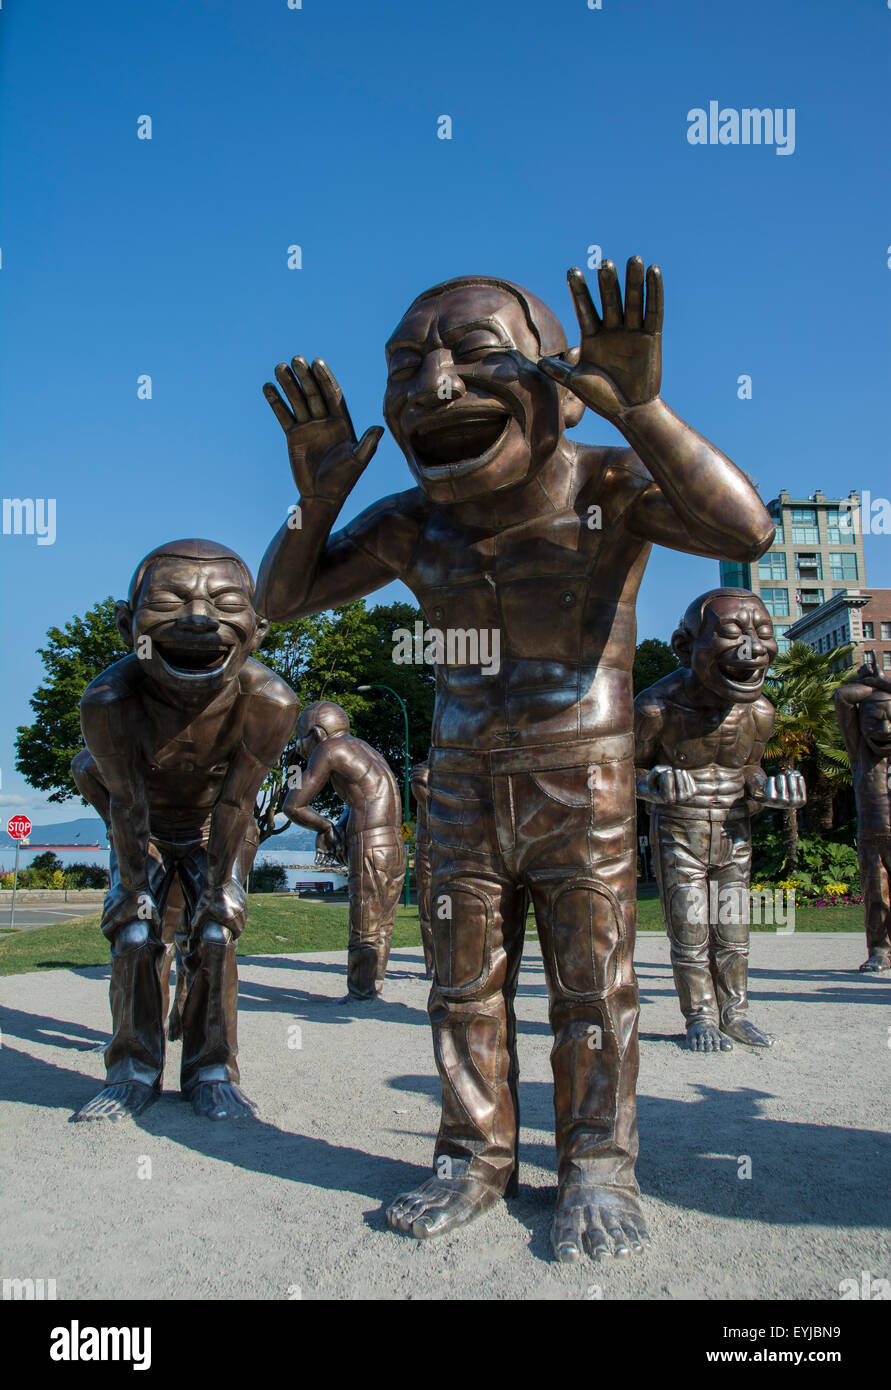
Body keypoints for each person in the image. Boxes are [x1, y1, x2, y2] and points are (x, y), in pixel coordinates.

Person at [255, 258, 774, 1260]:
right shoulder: (416, 523)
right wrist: (314, 500)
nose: (435, 386)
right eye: (406, 367)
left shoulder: (610, 485)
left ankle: (597, 1164)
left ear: (562, 392)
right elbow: (281, 600)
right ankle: (473, 1154)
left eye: (476, 355)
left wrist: (645, 410)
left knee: (594, 988)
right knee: (460, 985)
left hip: (584, 776)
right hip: (458, 787)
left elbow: (743, 526)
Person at [72, 538, 298, 1121]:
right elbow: (126, 803)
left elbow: (236, 803)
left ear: (257, 630)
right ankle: (133, 1069)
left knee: (217, 937)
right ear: (129, 625)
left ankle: (212, 1069)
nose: (199, 620)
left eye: (225, 605)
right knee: (135, 935)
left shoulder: (268, 700)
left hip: (211, 830)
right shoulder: (109, 700)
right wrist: (132, 887)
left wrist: (222, 890)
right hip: (145, 829)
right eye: (171, 602)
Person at [635, 589, 806, 1050]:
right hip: (680, 833)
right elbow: (616, 773)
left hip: (735, 833)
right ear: (684, 646)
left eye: (763, 634)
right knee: (691, 930)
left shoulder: (760, 713)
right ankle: (700, 1017)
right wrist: (651, 783)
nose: (753, 648)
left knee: (734, 932)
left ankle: (736, 1013)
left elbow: (749, 770)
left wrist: (771, 791)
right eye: (732, 634)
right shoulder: (656, 708)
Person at [283, 701, 405, 999]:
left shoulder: (329, 749)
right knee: (383, 923)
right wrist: (337, 826)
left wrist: (324, 827)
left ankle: (360, 992)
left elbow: (292, 804)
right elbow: (364, 799)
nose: (301, 748)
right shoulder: (363, 748)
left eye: (301, 741)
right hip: (394, 845)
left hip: (369, 844)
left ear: (316, 733)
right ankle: (371, 986)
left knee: (363, 922)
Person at [835, 669, 891, 973]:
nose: (884, 728)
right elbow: (842, 697)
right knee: (875, 899)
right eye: (874, 720)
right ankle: (880, 950)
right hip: (873, 838)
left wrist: (882, 683)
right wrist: (876, 688)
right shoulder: (860, 755)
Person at [410, 760, 434, 979]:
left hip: (453, 850)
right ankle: (433, 964)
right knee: (429, 908)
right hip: (429, 848)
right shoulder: (423, 771)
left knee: (448, 908)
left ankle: (448, 961)